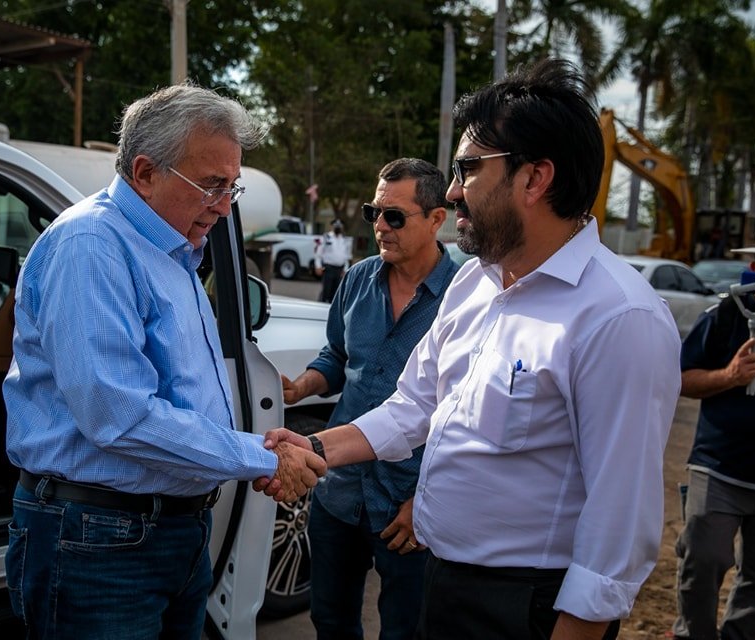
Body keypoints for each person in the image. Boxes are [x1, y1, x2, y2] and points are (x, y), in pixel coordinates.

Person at [256, 58, 682, 639]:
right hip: (441, 581)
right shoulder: (475, 282)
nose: (453, 191)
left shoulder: (618, 316)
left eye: (467, 169)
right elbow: (412, 407)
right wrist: (311, 445)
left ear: (535, 179)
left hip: (526, 606)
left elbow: (618, 527)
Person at [2, 83, 326, 639]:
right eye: (211, 186)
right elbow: (120, 416)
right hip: (101, 537)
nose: (225, 207)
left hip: (160, 531)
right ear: (146, 172)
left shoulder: (170, 248)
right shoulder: (93, 246)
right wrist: (262, 456)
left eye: (233, 187)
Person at [282, 158, 459, 639]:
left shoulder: (464, 297)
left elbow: (467, 415)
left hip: (408, 504)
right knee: (331, 620)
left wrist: (426, 500)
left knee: (405, 630)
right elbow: (337, 357)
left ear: (436, 219)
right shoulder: (358, 279)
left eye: (394, 215)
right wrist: (302, 386)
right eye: (374, 212)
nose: (380, 226)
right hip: (339, 492)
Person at [672, 218, 755, 640]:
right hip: (720, 467)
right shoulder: (727, 313)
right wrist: (729, 376)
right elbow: (679, 379)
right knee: (704, 557)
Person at [315, 218, 352, 303]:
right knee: (326, 291)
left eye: (340, 226)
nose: (338, 228)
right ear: (332, 226)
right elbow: (318, 253)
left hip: (339, 270)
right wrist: (318, 266)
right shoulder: (326, 237)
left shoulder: (345, 240)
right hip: (328, 268)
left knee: (336, 294)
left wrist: (345, 269)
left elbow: (347, 256)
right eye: (336, 226)